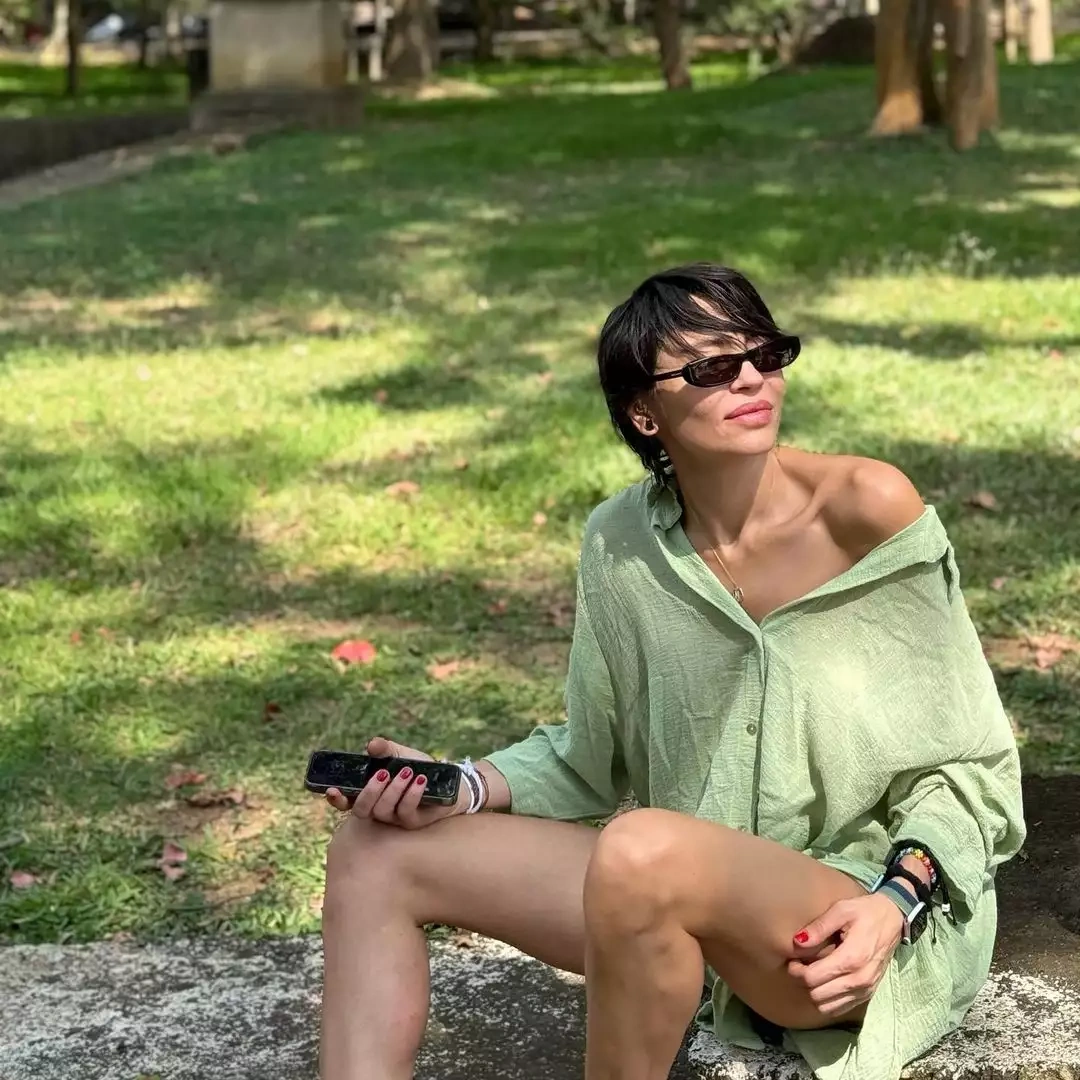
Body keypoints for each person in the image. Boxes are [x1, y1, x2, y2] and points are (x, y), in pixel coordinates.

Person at [319, 263, 1026, 1080]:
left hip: (845, 922)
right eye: (711, 368)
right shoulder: (620, 543)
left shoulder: (865, 508)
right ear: (643, 413)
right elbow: (587, 756)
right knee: (374, 853)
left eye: (764, 355)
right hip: (668, 904)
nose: (751, 379)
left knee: (643, 847)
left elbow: (971, 764)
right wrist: (458, 786)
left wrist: (894, 902)